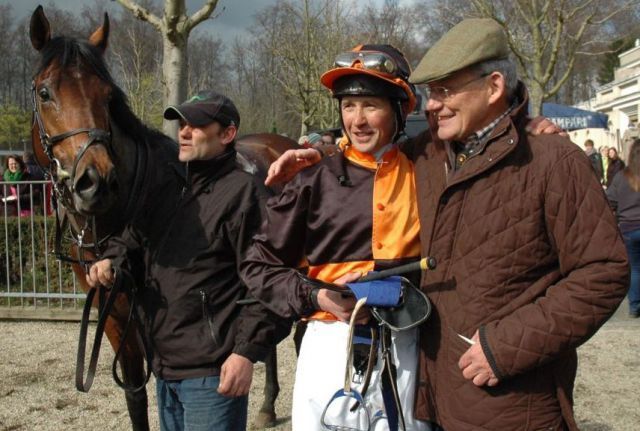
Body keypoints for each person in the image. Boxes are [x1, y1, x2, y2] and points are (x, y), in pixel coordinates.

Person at [264, 19, 628, 431]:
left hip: (513, 403)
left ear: (493, 87)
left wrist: (504, 347)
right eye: (429, 93)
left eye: (445, 90)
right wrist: (319, 152)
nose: (432, 105)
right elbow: (367, 153)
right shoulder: (428, 156)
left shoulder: (553, 161)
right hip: (431, 396)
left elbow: (604, 273)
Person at [241, 44, 433, 431]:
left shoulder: (427, 173)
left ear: (401, 109)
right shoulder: (311, 181)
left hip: (408, 345)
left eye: (371, 105)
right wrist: (316, 295)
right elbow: (257, 264)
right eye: (349, 106)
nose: (358, 120)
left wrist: (532, 126)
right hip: (329, 346)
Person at [86, 91, 290, 431]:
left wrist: (245, 352)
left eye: (196, 125)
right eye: (182, 124)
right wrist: (112, 260)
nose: (183, 131)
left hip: (212, 376)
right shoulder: (168, 185)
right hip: (166, 369)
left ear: (227, 134)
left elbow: (270, 282)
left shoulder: (245, 194)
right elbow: (133, 237)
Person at [606, 137, 640, 318]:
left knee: (635, 268)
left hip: (628, 226)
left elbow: (609, 200)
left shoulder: (621, 177)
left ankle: (634, 306)